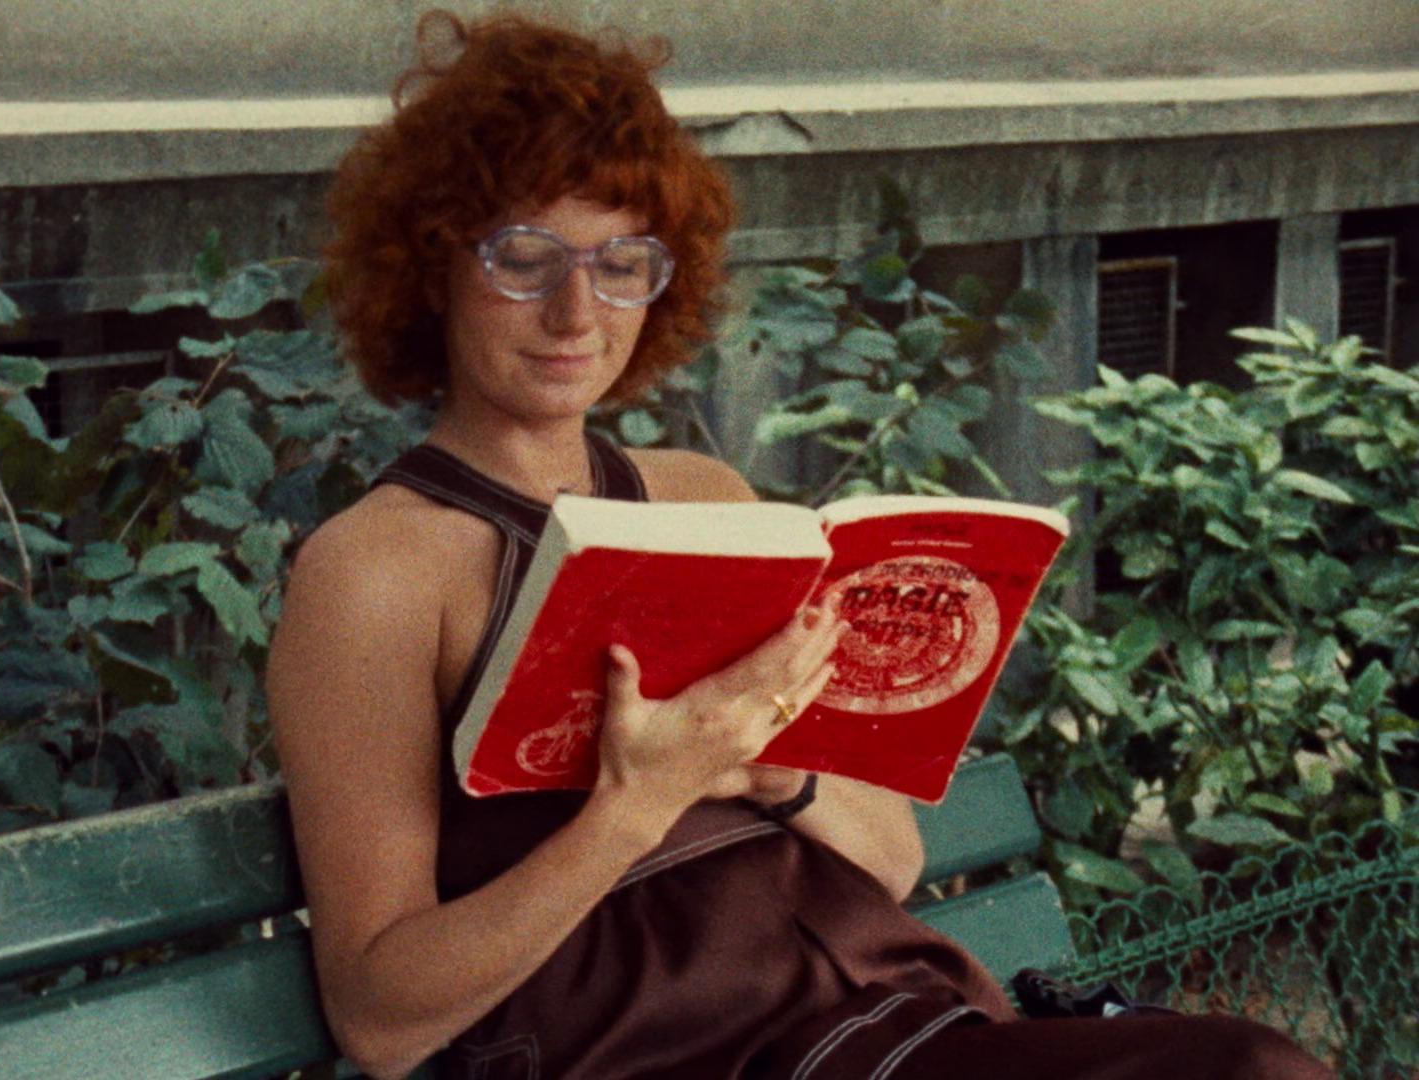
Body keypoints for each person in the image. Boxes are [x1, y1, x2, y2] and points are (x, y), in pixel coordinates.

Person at [266, 11, 1335, 1080]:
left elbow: (892, 860)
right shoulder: (373, 574)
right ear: (431, 267)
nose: (576, 311)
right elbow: (381, 1022)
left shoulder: (702, 498)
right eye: (525, 259)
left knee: (1253, 1066)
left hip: (899, 1027)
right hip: (691, 1057)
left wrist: (773, 770)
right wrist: (636, 805)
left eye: (622, 262)